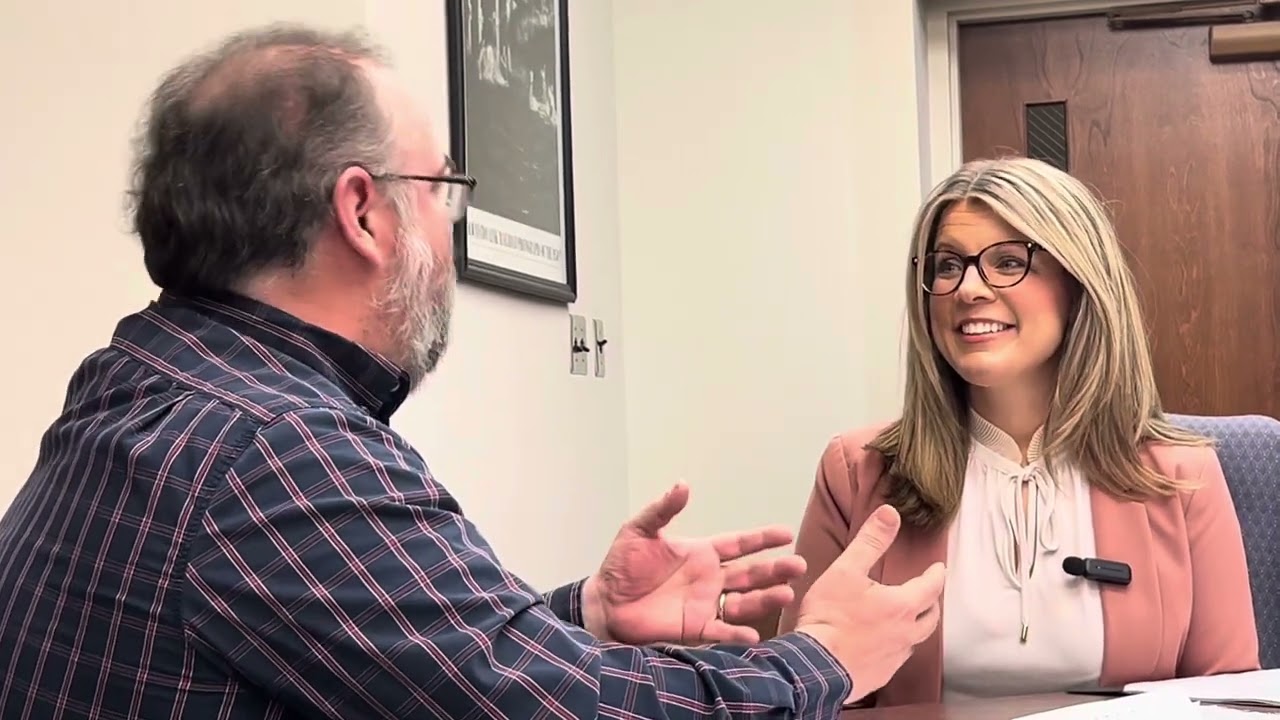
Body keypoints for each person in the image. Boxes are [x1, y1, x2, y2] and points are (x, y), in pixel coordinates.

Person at [0, 25, 946, 719]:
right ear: (363, 213)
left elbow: (410, 657)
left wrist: (583, 614)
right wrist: (825, 660)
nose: (447, 232)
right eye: (442, 190)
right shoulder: (278, 450)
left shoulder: (142, 377)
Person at [778, 156, 1261, 706]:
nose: (968, 289)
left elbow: (1228, 701)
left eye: (1008, 261)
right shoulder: (856, 471)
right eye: (947, 266)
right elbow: (799, 697)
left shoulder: (1182, 475)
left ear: (1079, 284)